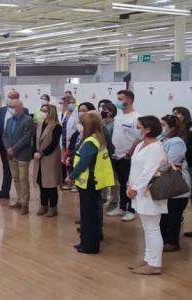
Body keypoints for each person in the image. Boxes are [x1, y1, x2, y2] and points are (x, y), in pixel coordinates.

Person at [66, 113, 115, 254]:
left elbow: (83, 163)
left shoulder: (90, 142)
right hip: (93, 181)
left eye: (80, 123)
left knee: (88, 216)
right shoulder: (97, 138)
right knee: (90, 214)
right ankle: (86, 242)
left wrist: (71, 177)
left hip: (89, 182)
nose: (78, 125)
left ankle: (90, 245)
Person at [126, 115, 168, 275]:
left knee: (152, 228)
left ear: (148, 129)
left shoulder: (156, 147)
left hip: (150, 192)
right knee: (147, 227)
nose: (136, 130)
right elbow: (135, 168)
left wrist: (136, 188)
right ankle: (148, 259)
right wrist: (129, 185)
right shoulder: (140, 145)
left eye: (138, 127)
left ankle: (155, 264)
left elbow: (148, 172)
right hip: (138, 191)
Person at [107, 90, 141, 222]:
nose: (118, 101)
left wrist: (128, 154)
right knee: (121, 183)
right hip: (116, 156)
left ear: (129, 100)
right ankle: (122, 207)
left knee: (130, 183)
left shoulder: (136, 117)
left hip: (128, 157)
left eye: (121, 99)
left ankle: (131, 210)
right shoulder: (118, 117)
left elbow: (138, 138)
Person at [158, 115, 190, 251]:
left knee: (174, 215)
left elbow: (169, 161)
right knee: (164, 215)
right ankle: (163, 240)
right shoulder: (162, 139)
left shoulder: (177, 141)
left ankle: (172, 242)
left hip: (176, 184)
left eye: (164, 125)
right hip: (164, 182)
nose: (161, 127)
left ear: (172, 128)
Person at [0, 90, 29, 199]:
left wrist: (15, 147)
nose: (8, 98)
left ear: (17, 99)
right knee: (6, 169)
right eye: (8, 96)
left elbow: (25, 131)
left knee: (20, 174)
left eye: (11, 97)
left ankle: (22, 198)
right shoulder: (2, 110)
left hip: (18, 147)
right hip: (5, 145)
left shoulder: (24, 111)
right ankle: (4, 191)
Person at [3, 99, 36, 215]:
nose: (10, 108)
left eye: (12, 106)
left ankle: (25, 204)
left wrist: (14, 149)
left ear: (19, 108)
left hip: (22, 154)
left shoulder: (28, 120)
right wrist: (8, 148)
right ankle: (19, 200)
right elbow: (5, 136)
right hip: (11, 155)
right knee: (16, 178)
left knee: (23, 180)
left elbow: (27, 137)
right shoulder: (9, 120)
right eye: (9, 106)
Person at [33, 104, 62, 216]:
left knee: (50, 184)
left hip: (49, 157)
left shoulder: (56, 126)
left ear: (51, 112)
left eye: (45, 111)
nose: (42, 113)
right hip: (38, 157)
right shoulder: (40, 124)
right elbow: (35, 140)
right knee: (41, 182)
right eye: (42, 110)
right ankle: (43, 205)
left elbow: (54, 143)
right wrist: (35, 152)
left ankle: (53, 207)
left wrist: (42, 153)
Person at [172, 107, 192, 238]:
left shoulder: (189, 127)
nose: (175, 116)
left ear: (185, 115)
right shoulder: (175, 131)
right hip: (185, 165)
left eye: (178, 113)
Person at [58, 95, 79, 190]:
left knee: (73, 162)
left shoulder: (77, 113)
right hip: (63, 141)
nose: (71, 104)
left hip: (73, 141)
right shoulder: (64, 113)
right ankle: (68, 181)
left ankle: (75, 183)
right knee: (65, 162)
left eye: (73, 102)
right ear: (66, 103)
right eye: (69, 102)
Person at [101, 102, 119, 211]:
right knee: (102, 175)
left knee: (113, 178)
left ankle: (114, 199)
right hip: (101, 153)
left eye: (105, 109)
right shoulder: (101, 122)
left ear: (111, 112)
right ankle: (103, 196)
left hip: (110, 152)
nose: (103, 111)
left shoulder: (115, 124)